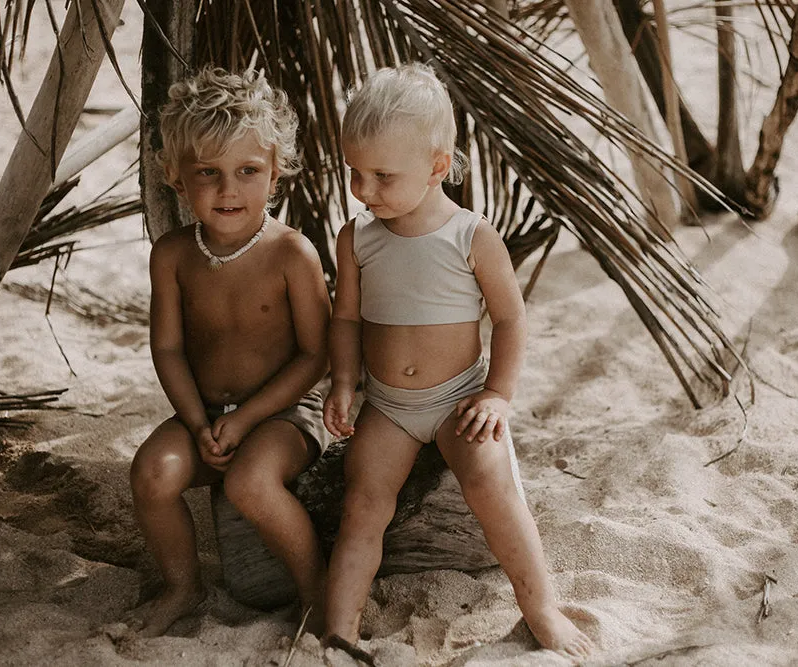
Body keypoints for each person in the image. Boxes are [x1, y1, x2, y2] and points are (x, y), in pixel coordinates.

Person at [322, 62, 593, 660]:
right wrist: (344, 383)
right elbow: (345, 318)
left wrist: (498, 393)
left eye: (382, 176)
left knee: (491, 482)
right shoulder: (357, 238)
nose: (364, 191)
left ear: (438, 166)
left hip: (457, 399)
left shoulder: (470, 235)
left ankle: (540, 606)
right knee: (363, 503)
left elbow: (511, 317)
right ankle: (339, 627)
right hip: (388, 406)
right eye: (355, 173)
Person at [128, 66, 332, 637]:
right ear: (176, 177)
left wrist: (244, 420)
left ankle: (318, 593)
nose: (228, 190)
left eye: (247, 171)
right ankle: (183, 585)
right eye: (208, 173)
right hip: (203, 415)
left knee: (249, 483)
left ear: (276, 173)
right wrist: (197, 424)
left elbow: (316, 356)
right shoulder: (171, 254)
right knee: (151, 474)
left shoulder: (293, 253)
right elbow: (167, 349)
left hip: (286, 415)